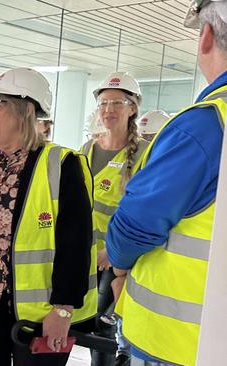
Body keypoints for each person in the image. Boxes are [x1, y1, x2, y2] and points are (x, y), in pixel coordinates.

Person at [108, 1, 226, 365]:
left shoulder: (205, 125)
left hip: (179, 342)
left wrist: (118, 264)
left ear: (205, 37)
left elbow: (137, 223)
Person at [0, 68, 96, 366]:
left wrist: (62, 310)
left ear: (25, 110)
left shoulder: (62, 165)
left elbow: (76, 243)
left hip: (38, 316)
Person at [80, 71, 149, 366]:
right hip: (83, 253)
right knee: (77, 321)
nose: (108, 110)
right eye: (104, 103)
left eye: (117, 103)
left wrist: (112, 251)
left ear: (132, 108)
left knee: (103, 328)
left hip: (116, 257)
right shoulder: (87, 149)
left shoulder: (146, 152)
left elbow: (143, 210)